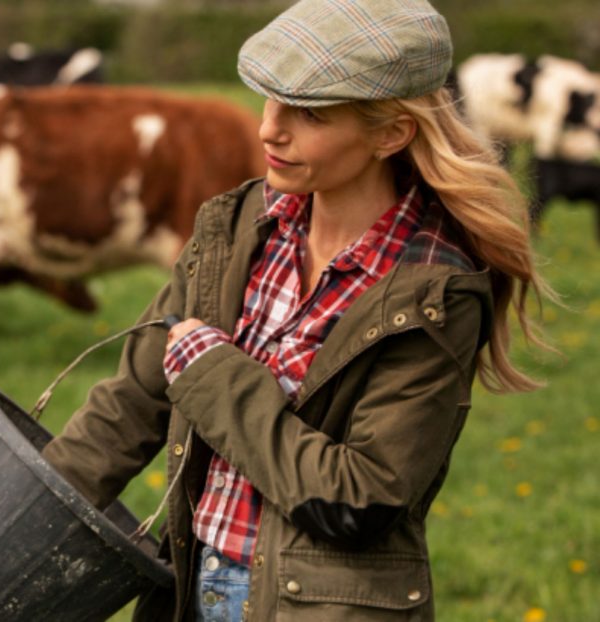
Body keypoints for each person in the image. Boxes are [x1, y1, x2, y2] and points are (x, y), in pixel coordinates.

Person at [42, 0, 555, 620]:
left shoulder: (433, 292)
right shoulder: (235, 227)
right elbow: (132, 403)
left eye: (308, 113)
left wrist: (213, 376)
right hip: (184, 588)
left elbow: (361, 499)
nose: (269, 129)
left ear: (390, 133)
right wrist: (22, 517)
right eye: (270, 99)